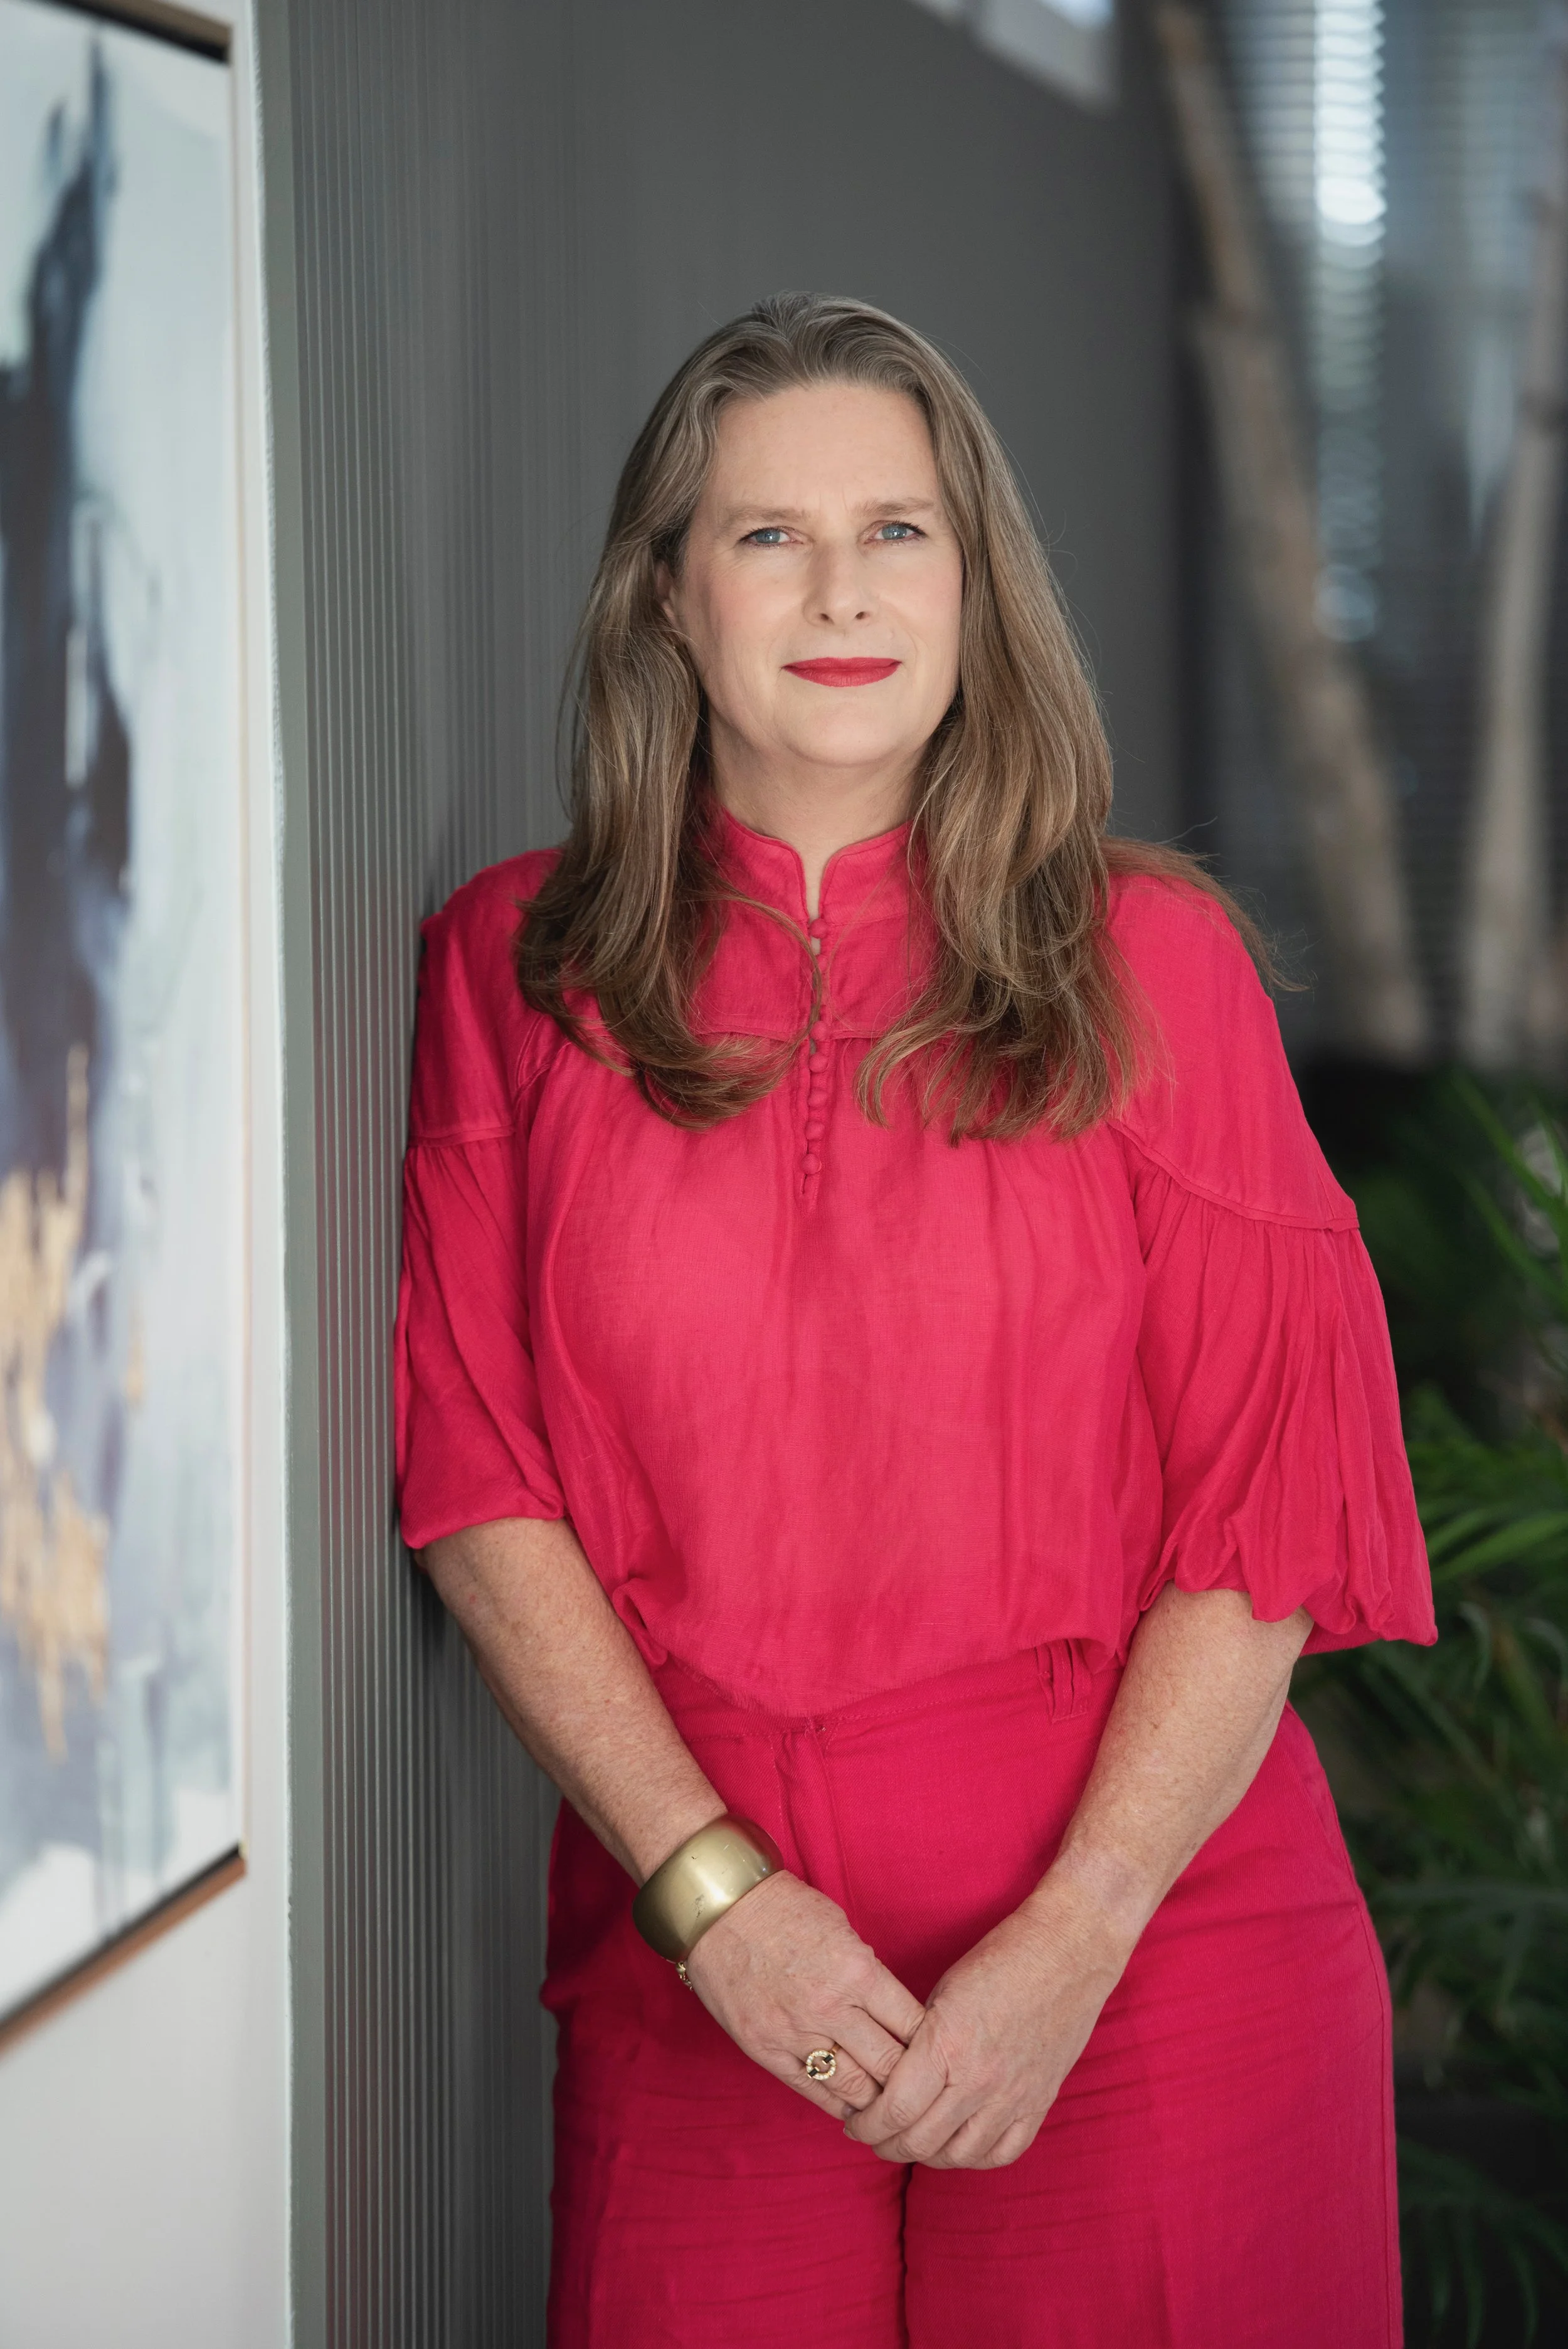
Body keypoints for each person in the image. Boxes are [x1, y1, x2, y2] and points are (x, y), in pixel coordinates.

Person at [394, 293, 1434, 2348]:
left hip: (1152, 1956)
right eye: (768, 537)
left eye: (901, 531)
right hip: (712, 1964)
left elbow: (1263, 1519)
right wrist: (716, 1902)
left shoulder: (1155, 961)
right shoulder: (513, 967)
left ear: (977, 589)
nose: (840, 591)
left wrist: (1077, 1936)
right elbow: (476, 1486)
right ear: (669, 603)